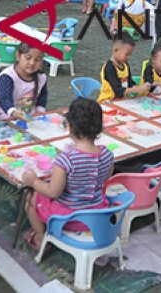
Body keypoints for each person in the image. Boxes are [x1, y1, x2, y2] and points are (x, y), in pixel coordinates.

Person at [21, 97, 114, 251]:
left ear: (70, 127)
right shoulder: (107, 154)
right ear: (99, 127)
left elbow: (53, 192)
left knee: (31, 196)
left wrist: (34, 182)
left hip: (71, 218)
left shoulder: (66, 160)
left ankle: (39, 237)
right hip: (97, 213)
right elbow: (106, 177)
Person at [0, 43, 49, 120]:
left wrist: (40, 112)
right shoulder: (7, 77)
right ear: (18, 55)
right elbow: (4, 100)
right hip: (3, 117)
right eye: (28, 58)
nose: (32, 63)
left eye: (37, 60)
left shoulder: (41, 77)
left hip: (28, 117)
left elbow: (42, 97)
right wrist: (13, 112)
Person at [98, 33, 152, 102]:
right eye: (127, 54)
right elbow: (118, 90)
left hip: (121, 101)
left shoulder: (125, 65)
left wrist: (142, 87)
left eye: (130, 54)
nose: (129, 57)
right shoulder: (109, 68)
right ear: (116, 50)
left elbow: (130, 83)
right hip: (107, 102)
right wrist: (139, 89)